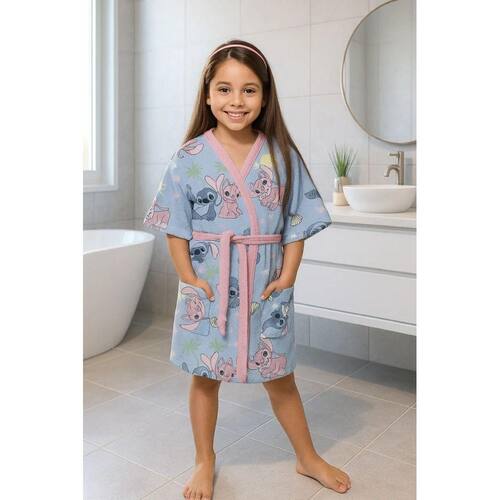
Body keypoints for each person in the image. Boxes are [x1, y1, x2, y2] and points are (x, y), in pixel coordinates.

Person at [143, 39, 352, 499]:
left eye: (249, 90)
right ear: (207, 95)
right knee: (204, 377)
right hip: (209, 286)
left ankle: (307, 456)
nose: (236, 101)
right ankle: (204, 459)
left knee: (281, 377)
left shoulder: (281, 154)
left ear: (265, 96)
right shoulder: (189, 158)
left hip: (265, 286)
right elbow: (175, 226)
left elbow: (296, 223)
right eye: (225, 89)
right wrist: (189, 279)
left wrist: (288, 277)